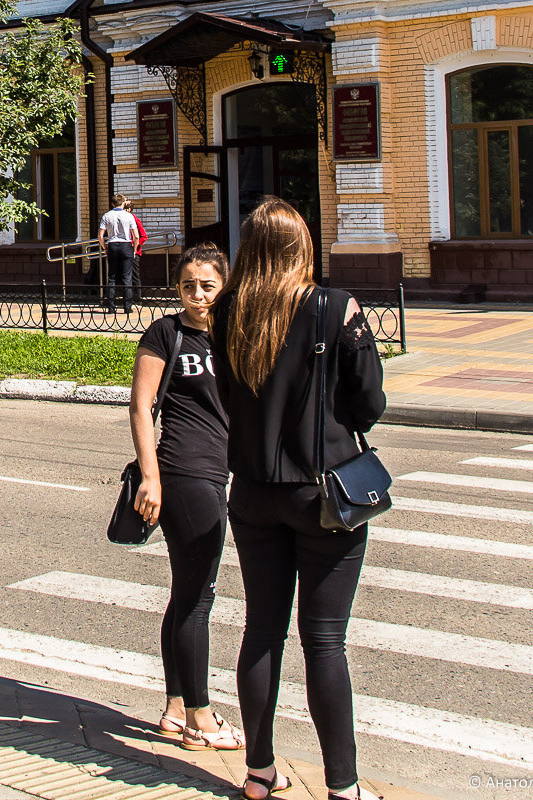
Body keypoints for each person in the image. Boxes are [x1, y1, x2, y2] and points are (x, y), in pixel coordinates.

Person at [211, 197, 386, 800]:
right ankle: (343, 788)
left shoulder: (228, 311)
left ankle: (259, 774)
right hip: (326, 498)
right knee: (325, 640)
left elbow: (230, 402)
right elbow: (371, 406)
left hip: (255, 494)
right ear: (303, 247)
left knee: (262, 629)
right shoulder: (337, 309)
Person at [129, 243, 245, 754]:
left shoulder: (235, 335)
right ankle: (201, 716)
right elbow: (139, 407)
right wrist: (150, 478)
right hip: (182, 473)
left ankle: (175, 709)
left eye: (207, 286)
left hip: (218, 472)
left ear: (224, 286)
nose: (197, 296)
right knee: (199, 599)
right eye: (188, 286)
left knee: (184, 594)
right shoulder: (164, 333)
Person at [97, 193, 139, 313]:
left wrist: (104, 247)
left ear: (112, 204)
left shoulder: (107, 215)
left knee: (112, 277)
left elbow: (100, 235)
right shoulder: (129, 216)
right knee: (127, 277)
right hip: (126, 245)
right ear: (123, 203)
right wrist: (134, 249)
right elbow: (136, 236)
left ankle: (111, 307)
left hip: (113, 245)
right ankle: (127, 307)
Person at [123, 200, 149, 299]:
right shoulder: (123, 219)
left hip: (134, 252)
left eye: (125, 209)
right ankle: (128, 297)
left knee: (134, 274)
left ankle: (137, 297)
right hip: (124, 250)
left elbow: (144, 236)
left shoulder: (135, 220)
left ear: (129, 209)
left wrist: (135, 245)